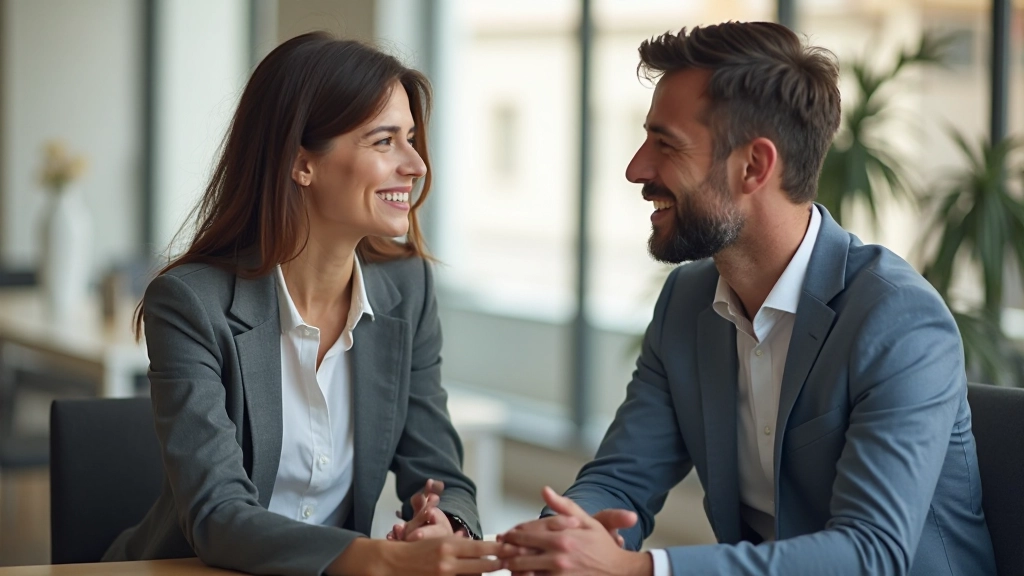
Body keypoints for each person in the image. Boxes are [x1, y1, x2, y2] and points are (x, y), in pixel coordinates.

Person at [499, 21, 997, 576]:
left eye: (666, 144)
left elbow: (870, 553)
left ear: (754, 166)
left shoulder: (898, 319)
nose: (636, 168)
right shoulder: (686, 302)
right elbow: (621, 479)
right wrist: (564, 535)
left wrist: (642, 570)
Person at [103, 32, 514, 576]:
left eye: (411, 138)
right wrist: (384, 558)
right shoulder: (189, 304)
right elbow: (217, 517)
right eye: (384, 141)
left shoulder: (406, 287)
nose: (415, 164)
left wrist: (445, 523)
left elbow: (439, 470)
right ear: (302, 164)